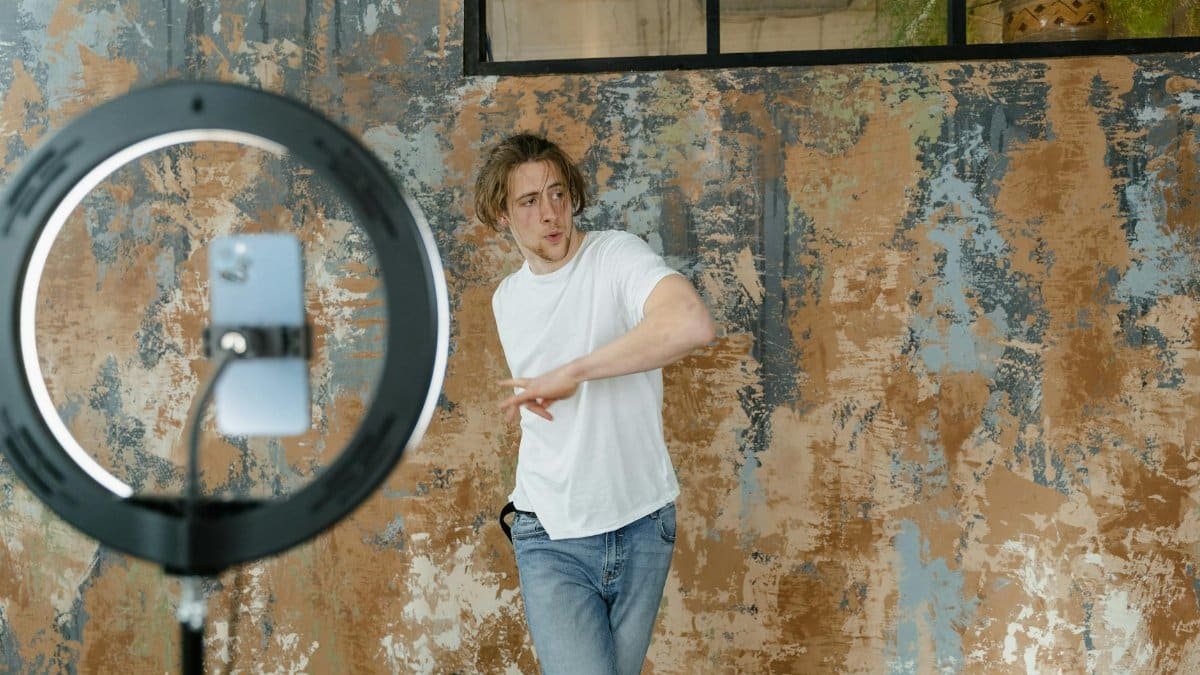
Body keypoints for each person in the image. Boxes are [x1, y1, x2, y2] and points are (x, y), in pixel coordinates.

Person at [474, 132, 716, 675]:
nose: (550, 213)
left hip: (641, 523)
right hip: (549, 532)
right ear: (502, 215)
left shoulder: (615, 257)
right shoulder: (507, 300)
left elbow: (690, 322)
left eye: (557, 194)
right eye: (529, 201)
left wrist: (574, 372)